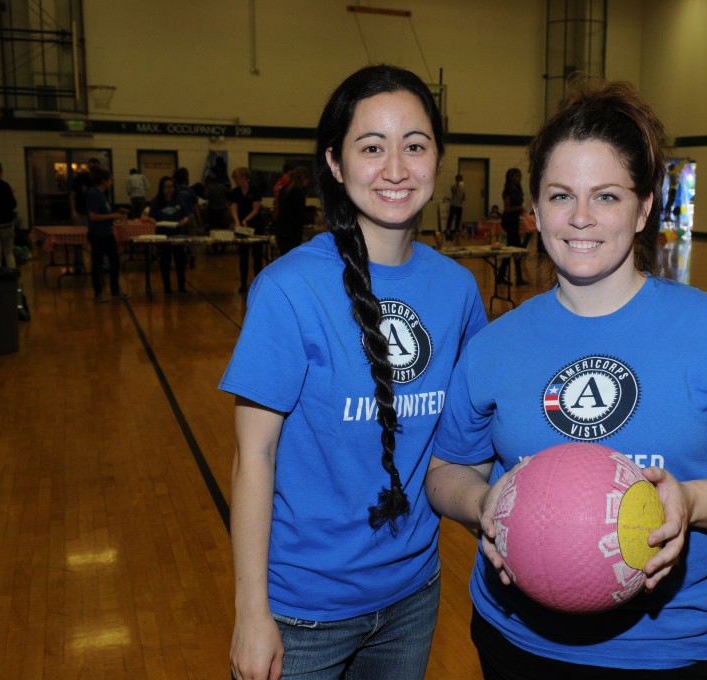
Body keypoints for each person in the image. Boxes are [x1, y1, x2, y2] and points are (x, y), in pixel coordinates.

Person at [425, 79, 707, 679]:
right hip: (518, 645)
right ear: (534, 209)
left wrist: (693, 499)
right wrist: (481, 504)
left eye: (606, 196)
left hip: (679, 651)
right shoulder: (495, 345)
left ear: (645, 206)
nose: (580, 218)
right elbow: (447, 470)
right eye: (560, 196)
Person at [220, 64, 487, 680]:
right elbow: (251, 459)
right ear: (335, 165)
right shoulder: (288, 290)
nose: (396, 169)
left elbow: (468, 436)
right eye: (372, 147)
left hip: (412, 598)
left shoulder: (458, 290)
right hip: (300, 612)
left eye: (414, 146)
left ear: (437, 160)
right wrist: (250, 613)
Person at [85, 167, 129, 302]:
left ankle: (115, 290)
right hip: (98, 234)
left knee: (115, 261)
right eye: (110, 180)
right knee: (97, 264)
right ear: (104, 181)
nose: (111, 183)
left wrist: (114, 217)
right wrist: (111, 215)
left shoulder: (102, 194)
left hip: (107, 233)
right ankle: (98, 293)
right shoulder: (94, 194)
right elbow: (93, 216)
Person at [148, 176, 190, 293]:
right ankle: (167, 286)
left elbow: (186, 215)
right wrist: (154, 222)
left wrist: (184, 221)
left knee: (180, 261)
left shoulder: (179, 200)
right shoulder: (156, 201)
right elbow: (151, 216)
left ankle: (181, 285)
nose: (169, 189)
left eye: (171, 187)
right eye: (166, 187)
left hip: (178, 234)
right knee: (165, 261)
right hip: (163, 234)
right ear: (162, 188)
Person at [229, 166, 266, 293]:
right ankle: (243, 283)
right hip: (242, 228)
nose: (235, 180)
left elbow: (256, 209)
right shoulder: (235, 192)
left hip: (255, 226)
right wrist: (237, 222)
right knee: (243, 256)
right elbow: (234, 208)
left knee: (257, 256)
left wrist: (246, 220)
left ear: (244, 177)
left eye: (237, 177)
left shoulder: (255, 190)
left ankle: (258, 284)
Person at [495, 167, 528, 285]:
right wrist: (519, 208)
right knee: (516, 249)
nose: (519, 178)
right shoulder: (507, 191)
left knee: (512, 249)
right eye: (517, 176)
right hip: (508, 221)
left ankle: (501, 276)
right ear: (511, 178)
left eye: (520, 176)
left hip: (514, 221)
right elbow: (507, 208)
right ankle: (517, 277)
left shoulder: (518, 189)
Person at [69, 157, 100, 273]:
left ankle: (97, 264)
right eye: (92, 167)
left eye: (95, 167)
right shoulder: (80, 178)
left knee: (97, 240)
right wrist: (73, 210)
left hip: (95, 215)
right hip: (81, 213)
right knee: (78, 241)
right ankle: (78, 264)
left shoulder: (99, 180)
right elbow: (72, 195)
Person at [272, 165, 311, 256]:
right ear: (304, 178)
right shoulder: (298, 191)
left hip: (281, 231)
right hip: (292, 233)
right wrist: (309, 219)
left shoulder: (284, 189)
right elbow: (299, 213)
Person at [446, 173, 465, 240]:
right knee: (451, 217)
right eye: (459, 179)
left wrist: (463, 197)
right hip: (453, 204)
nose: (460, 180)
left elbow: (464, 197)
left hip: (460, 205)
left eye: (461, 179)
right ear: (456, 179)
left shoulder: (462, 188)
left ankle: (457, 230)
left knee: (458, 218)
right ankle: (448, 229)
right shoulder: (453, 186)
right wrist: (457, 185)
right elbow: (453, 191)